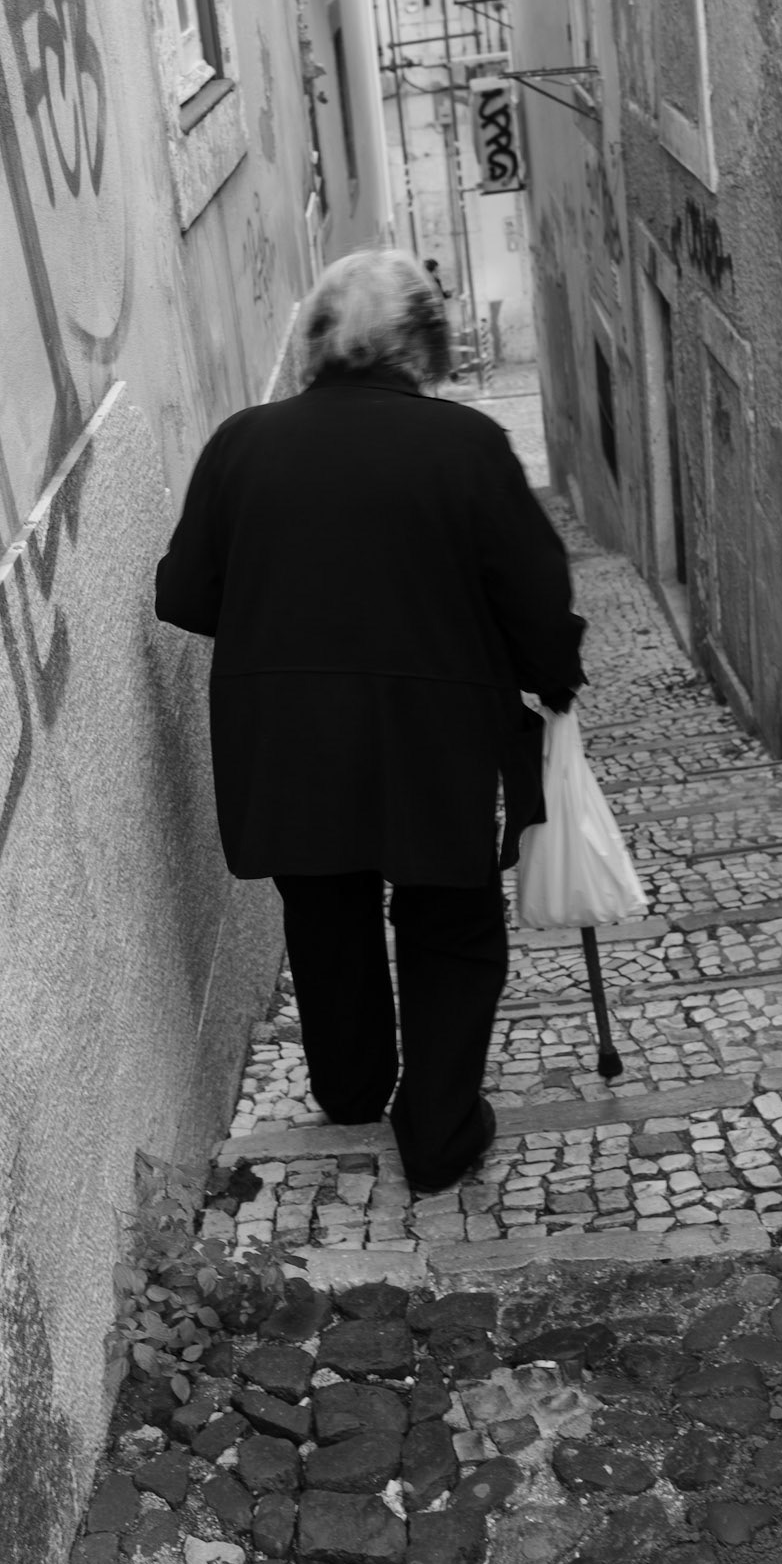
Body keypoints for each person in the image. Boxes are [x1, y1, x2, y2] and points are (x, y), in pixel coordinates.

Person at [154, 247, 584, 1192]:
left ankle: (350, 1090)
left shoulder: (241, 443)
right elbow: (533, 595)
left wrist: (287, 624)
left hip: (287, 730)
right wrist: (552, 678)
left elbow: (183, 593)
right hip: (434, 733)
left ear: (317, 341)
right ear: (421, 343)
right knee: (448, 918)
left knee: (323, 905)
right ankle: (437, 1131)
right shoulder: (464, 445)